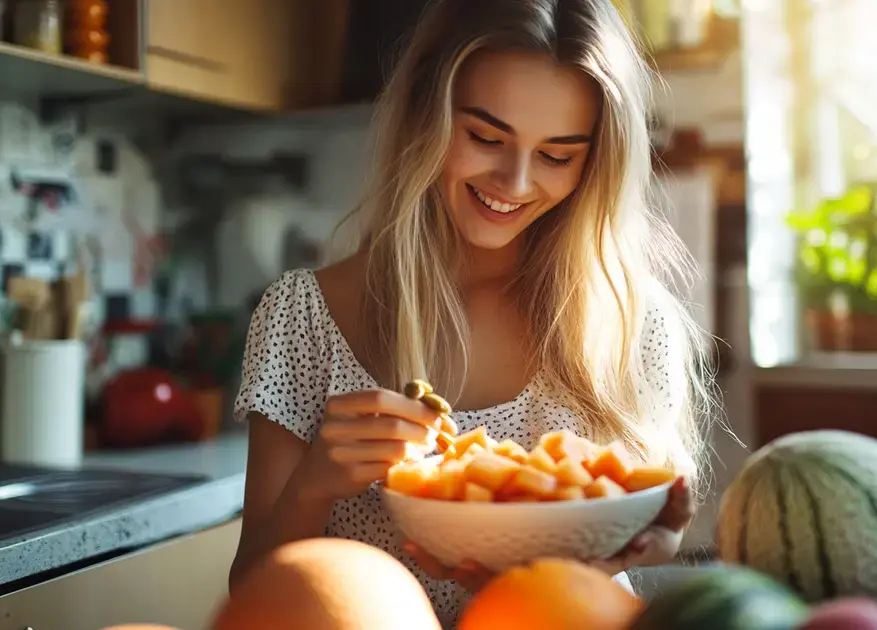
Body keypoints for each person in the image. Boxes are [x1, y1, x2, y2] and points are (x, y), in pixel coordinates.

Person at [228, 0, 720, 625]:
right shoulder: (301, 314)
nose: (514, 182)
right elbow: (249, 591)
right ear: (422, 117)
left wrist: (617, 542)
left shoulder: (628, 318)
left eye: (557, 155)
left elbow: (662, 530)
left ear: (596, 162)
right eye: (486, 138)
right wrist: (316, 482)